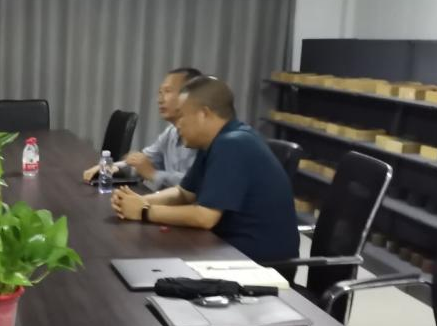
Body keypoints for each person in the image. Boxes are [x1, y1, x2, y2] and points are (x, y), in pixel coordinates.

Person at [111, 76, 299, 263]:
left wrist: (144, 211)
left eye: (181, 115)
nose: (177, 124)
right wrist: (140, 201)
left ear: (203, 114)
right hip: (225, 249)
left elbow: (205, 217)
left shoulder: (233, 144)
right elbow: (184, 193)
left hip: (257, 263)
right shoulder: (213, 142)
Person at [83, 67, 202, 189]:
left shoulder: (203, 137)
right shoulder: (171, 132)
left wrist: (152, 174)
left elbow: (196, 185)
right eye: (160, 93)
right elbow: (143, 161)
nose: (160, 100)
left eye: (167, 91)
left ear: (189, 96)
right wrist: (111, 167)